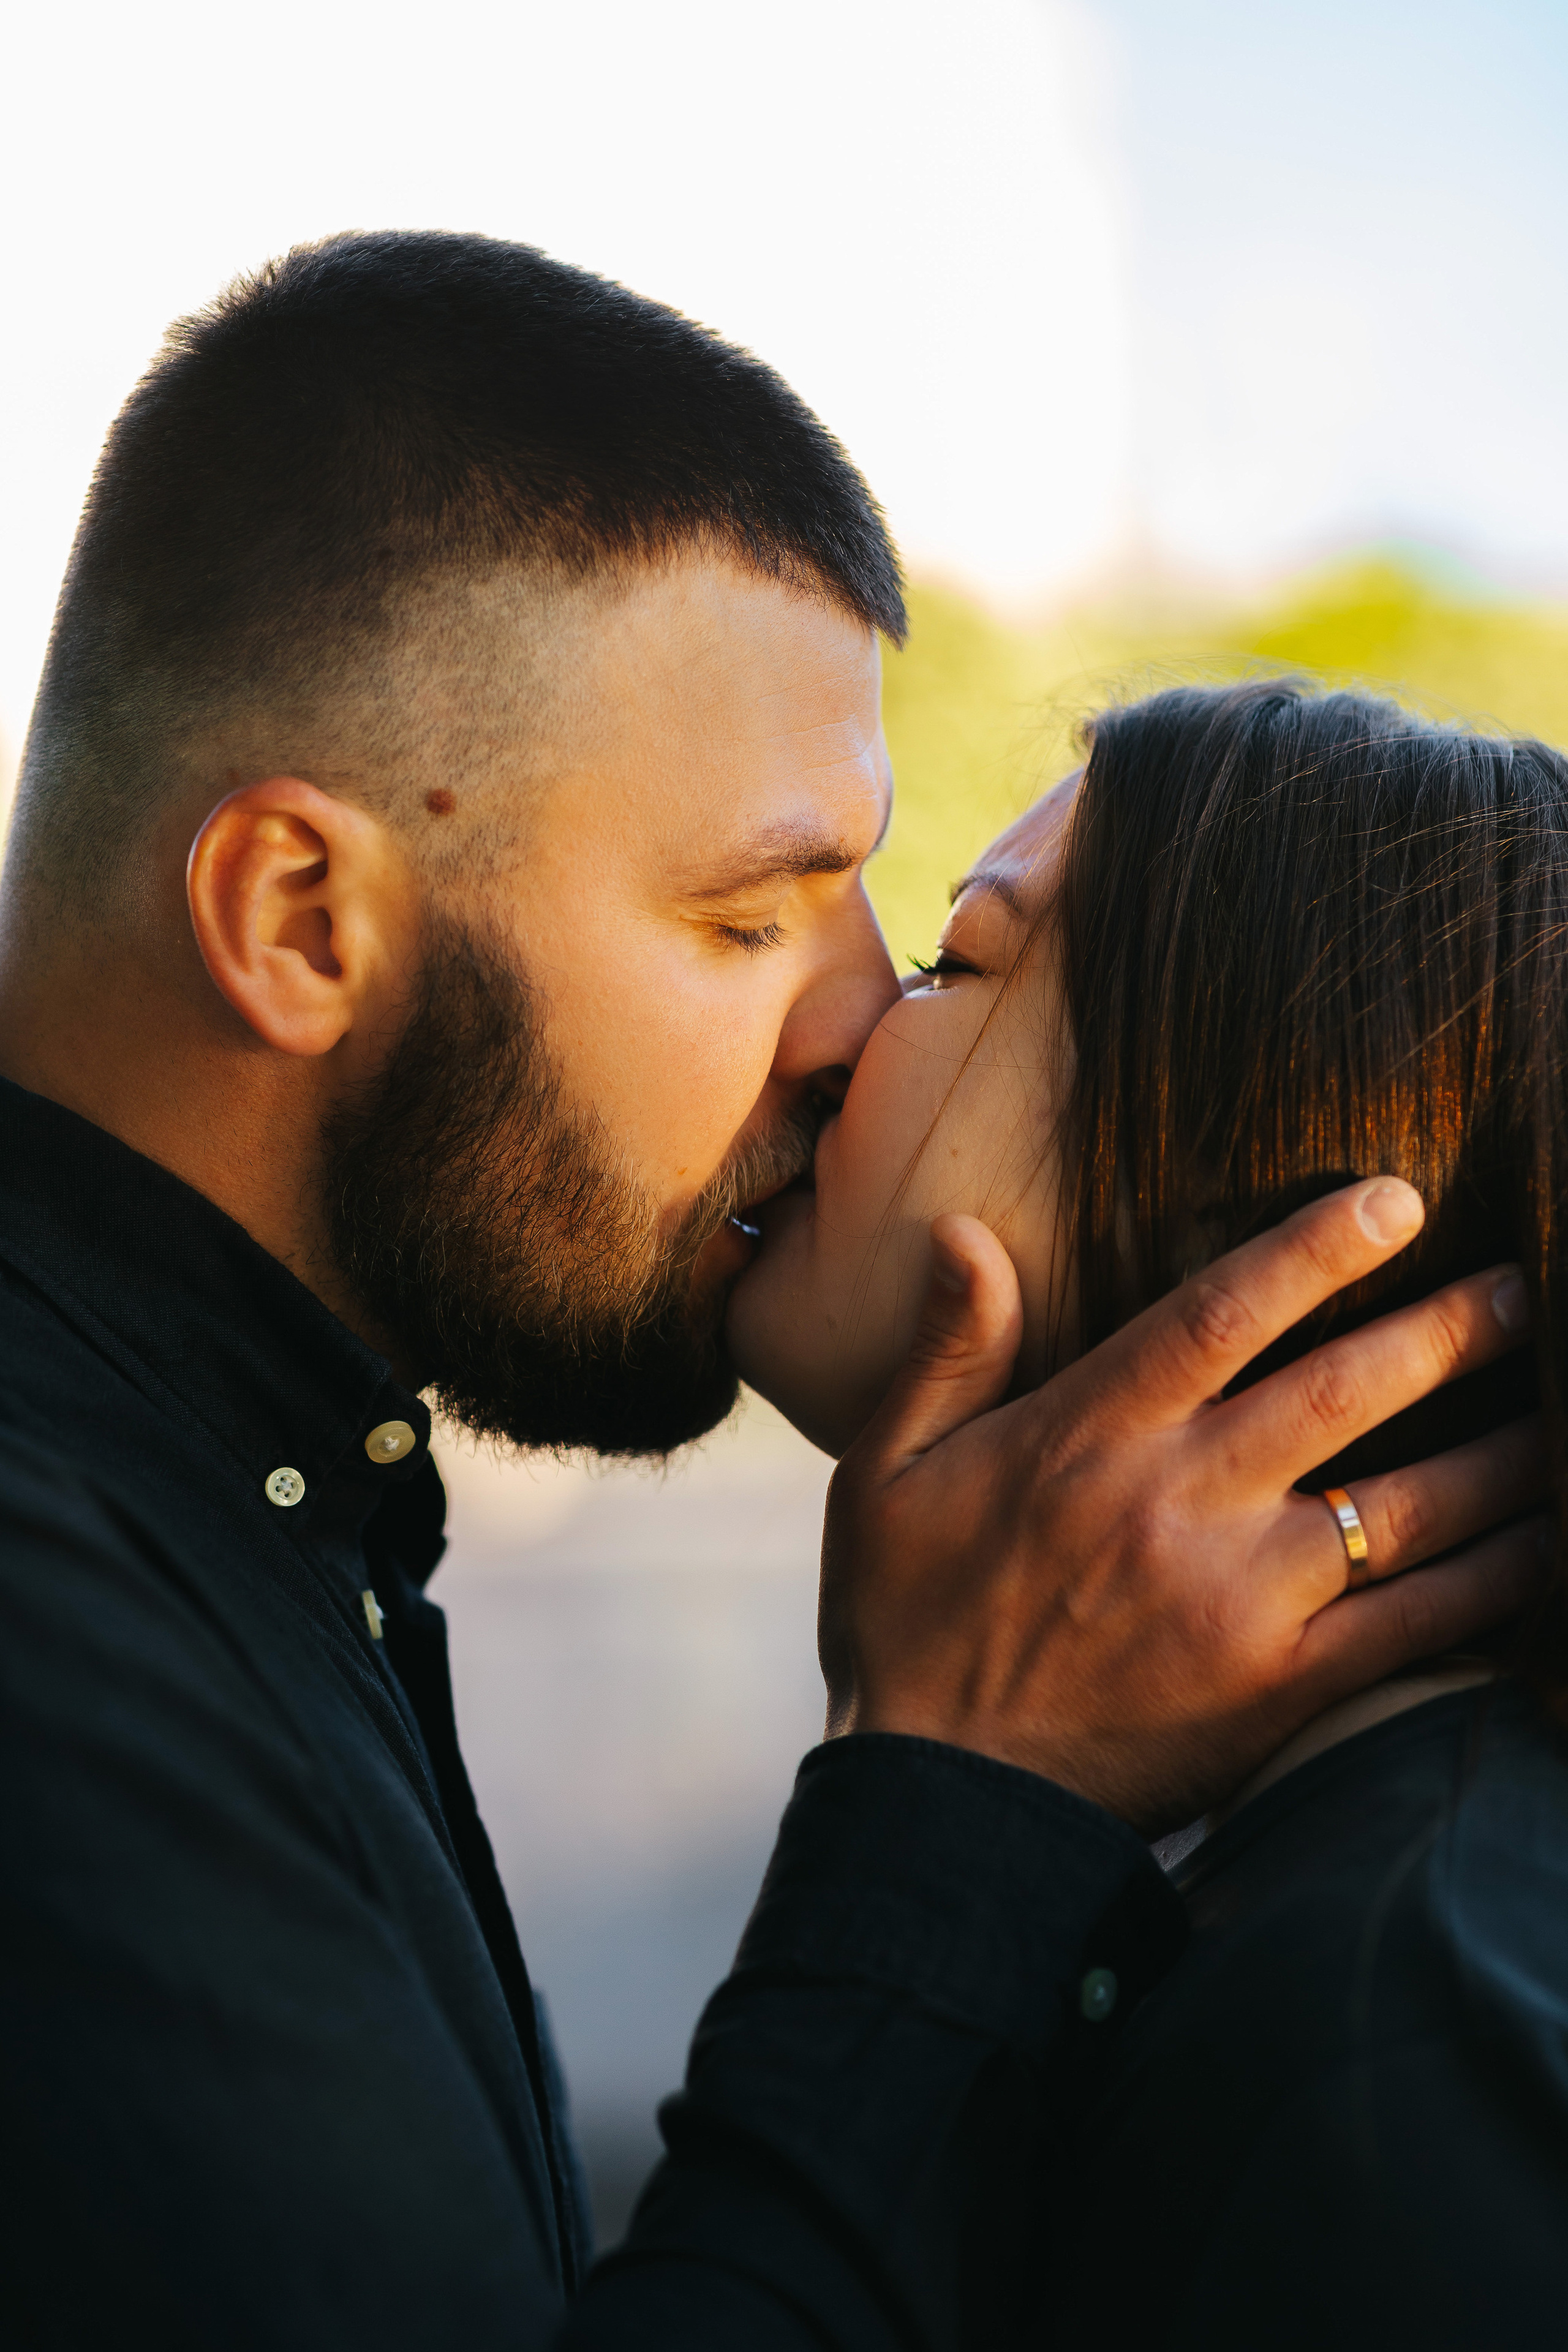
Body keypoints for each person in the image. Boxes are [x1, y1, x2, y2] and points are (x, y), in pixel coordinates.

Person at [0, 231, 1541, 2350]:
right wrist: (951, 1801)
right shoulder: (62, 1614)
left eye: (908, 926)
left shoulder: (1419, 2032)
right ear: (297, 917)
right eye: (749, 915)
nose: (852, 1023)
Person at [729, 677, 1568, 2345]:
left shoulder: (1401, 2062)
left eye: (957, 962)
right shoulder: (1345, 1917)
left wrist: (926, 1800)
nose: (834, 1040)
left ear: (1236, 1198)